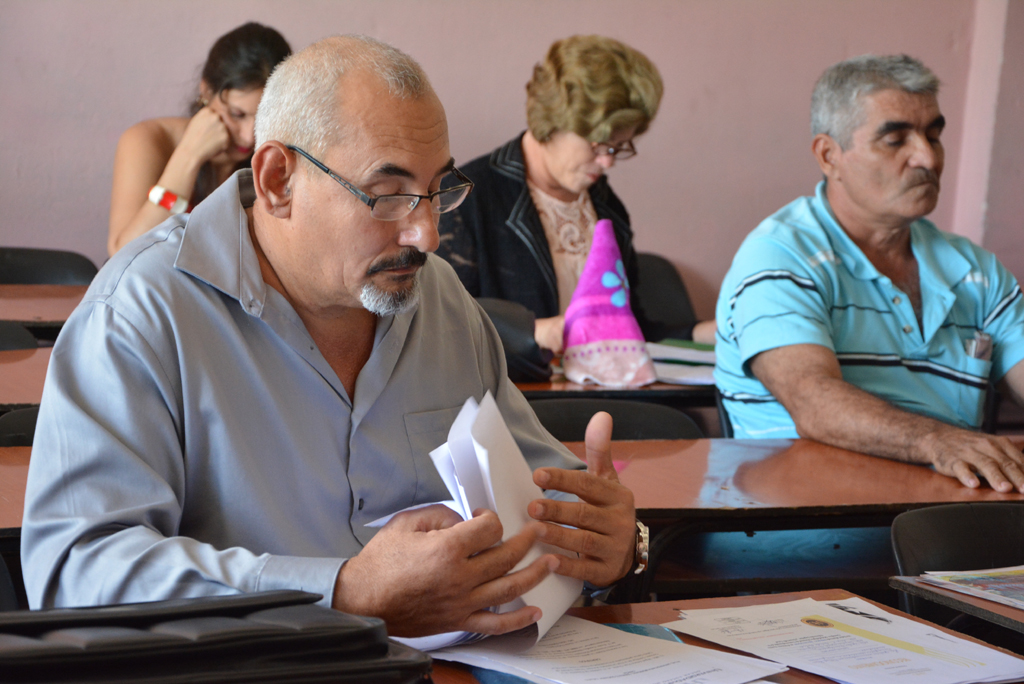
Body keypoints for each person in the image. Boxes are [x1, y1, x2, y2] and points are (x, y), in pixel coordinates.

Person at [22, 35, 639, 639]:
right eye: (388, 195)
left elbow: (538, 505)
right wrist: (338, 594)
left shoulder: (441, 300)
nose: (426, 234)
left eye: (436, 192)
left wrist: (610, 547)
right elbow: (76, 570)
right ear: (277, 180)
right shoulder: (140, 312)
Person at [715, 54, 1024, 492]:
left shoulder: (975, 271)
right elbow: (813, 401)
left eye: (933, 136)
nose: (927, 159)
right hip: (801, 535)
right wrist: (939, 441)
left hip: (941, 523)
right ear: (829, 155)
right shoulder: (781, 255)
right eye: (896, 140)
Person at [438, 35, 714, 358]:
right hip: (519, 398)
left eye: (617, 147)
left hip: (602, 392)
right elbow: (440, 324)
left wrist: (709, 332)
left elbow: (631, 329)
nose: (608, 161)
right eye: (598, 145)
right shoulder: (470, 199)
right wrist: (530, 331)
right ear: (553, 121)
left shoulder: (606, 205)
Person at [107, 22, 291, 255]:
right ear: (205, 91)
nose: (248, 137)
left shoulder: (277, 156)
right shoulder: (149, 140)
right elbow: (123, 253)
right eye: (237, 114)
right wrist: (189, 155)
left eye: (264, 117)